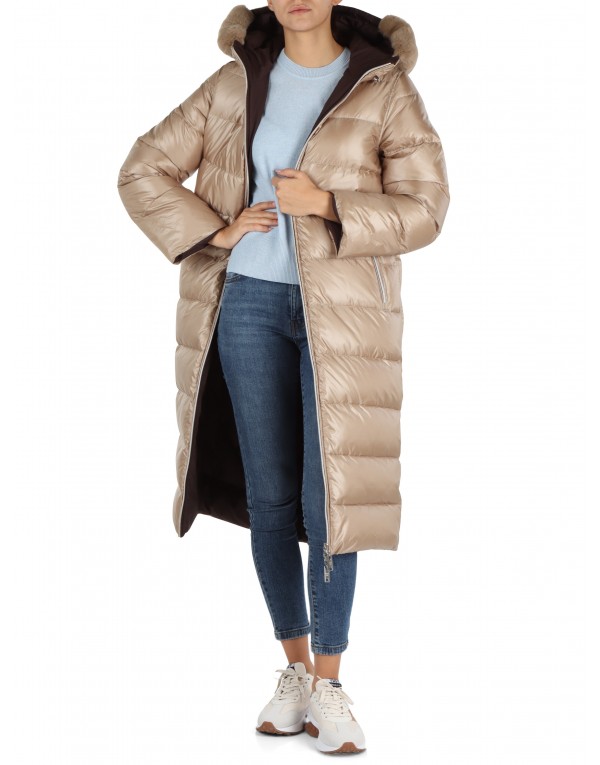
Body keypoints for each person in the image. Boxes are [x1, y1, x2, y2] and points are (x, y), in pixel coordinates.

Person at [117, 1, 449, 754]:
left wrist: (326, 203)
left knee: (329, 498)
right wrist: (217, 229)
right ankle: (294, 670)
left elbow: (428, 208)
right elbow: (142, 170)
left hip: (344, 317)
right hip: (248, 304)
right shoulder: (233, 83)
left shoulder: (384, 86)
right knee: (269, 497)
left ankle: (331, 683)